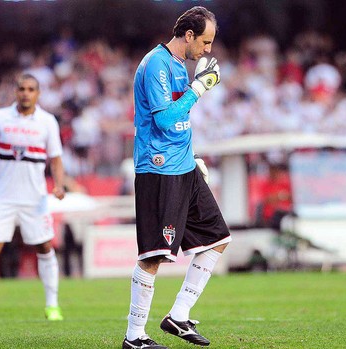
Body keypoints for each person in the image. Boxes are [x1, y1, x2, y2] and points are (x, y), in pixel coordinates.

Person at [122, 6, 231, 349]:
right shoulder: (156, 64)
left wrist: (193, 155)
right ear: (188, 35)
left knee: (217, 239)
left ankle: (178, 316)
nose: (208, 49)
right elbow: (166, 121)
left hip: (183, 166)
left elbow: (179, 122)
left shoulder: (178, 65)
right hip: (158, 169)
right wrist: (200, 87)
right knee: (154, 256)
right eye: (205, 41)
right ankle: (134, 336)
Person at [0, 73, 66, 323]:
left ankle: (52, 306)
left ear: (38, 94)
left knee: (44, 246)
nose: (26, 93)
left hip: (35, 198)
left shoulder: (47, 121)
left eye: (31, 89)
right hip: (3, 197)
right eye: (21, 88)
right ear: (16, 91)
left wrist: (59, 184)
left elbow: (56, 158)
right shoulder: (0, 117)